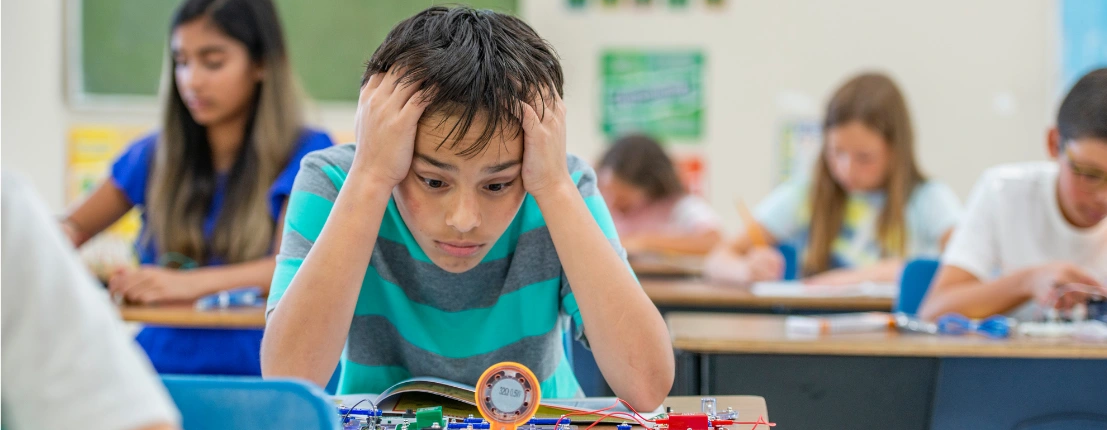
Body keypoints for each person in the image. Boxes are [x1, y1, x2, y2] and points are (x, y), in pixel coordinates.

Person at [262, 6, 673, 410]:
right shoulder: (339, 185)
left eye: (496, 184)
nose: (464, 220)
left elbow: (647, 385)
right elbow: (287, 382)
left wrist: (554, 187)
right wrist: (370, 175)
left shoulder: (560, 188)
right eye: (434, 181)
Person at [60, 0, 333, 375]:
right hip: (158, 372)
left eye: (213, 61)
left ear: (261, 63)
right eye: (181, 62)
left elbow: (293, 269)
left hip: (261, 374)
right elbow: (71, 228)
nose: (192, 80)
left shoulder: (309, 153)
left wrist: (181, 285)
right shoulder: (151, 155)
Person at [705, 72, 961, 285]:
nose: (846, 169)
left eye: (864, 158)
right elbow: (717, 259)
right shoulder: (806, 193)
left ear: (896, 151)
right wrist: (746, 270)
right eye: (836, 152)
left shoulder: (929, 198)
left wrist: (862, 277)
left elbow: (968, 269)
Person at [919, 68, 1107, 321]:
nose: (1103, 197)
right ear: (1054, 143)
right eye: (1090, 174)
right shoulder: (1003, 192)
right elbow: (933, 311)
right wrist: (1028, 282)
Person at [2, 173, 181, 430]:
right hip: (154, 357)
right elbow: (72, 229)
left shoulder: (8, 207)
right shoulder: (151, 156)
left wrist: (188, 284)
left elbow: (136, 420)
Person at [597, 134, 722, 256]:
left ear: (650, 189)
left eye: (623, 199)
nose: (612, 203)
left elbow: (714, 242)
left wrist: (644, 242)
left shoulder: (680, 206)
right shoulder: (600, 204)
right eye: (608, 192)